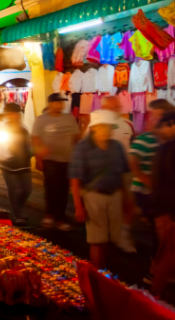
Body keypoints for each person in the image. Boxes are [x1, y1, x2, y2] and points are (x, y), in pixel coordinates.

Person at [70, 110, 132, 269]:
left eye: (109, 127)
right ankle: (98, 273)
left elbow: (122, 176)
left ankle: (107, 271)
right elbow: (75, 179)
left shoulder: (116, 146)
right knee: (97, 240)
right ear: (94, 128)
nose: (106, 130)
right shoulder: (82, 148)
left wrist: (126, 200)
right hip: (93, 197)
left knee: (112, 239)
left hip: (115, 195)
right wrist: (78, 206)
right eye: (102, 127)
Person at [32, 92, 81, 230]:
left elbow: (76, 137)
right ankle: (49, 215)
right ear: (50, 104)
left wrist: (77, 156)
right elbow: (36, 139)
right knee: (51, 188)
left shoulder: (69, 119)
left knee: (63, 190)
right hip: (50, 160)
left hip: (68, 160)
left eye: (62, 102)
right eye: (58, 102)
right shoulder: (41, 120)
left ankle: (60, 218)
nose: (61, 105)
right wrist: (38, 158)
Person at [101, 95, 138, 253]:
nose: (114, 109)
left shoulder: (127, 124)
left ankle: (123, 235)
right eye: (110, 107)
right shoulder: (97, 125)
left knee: (128, 204)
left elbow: (133, 145)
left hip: (125, 172)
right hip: (104, 173)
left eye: (116, 106)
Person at [0, 103, 33, 225]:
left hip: (24, 163)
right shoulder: (3, 128)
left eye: (15, 113)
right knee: (15, 189)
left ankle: (19, 208)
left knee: (27, 189)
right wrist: (3, 154)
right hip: (8, 164)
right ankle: (19, 214)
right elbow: (1, 144)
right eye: (10, 113)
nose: (13, 116)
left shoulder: (23, 127)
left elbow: (28, 144)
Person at [149, 111, 175, 296]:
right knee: (168, 256)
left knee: (167, 255)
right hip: (169, 210)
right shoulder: (168, 148)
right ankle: (156, 298)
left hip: (164, 209)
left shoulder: (165, 147)